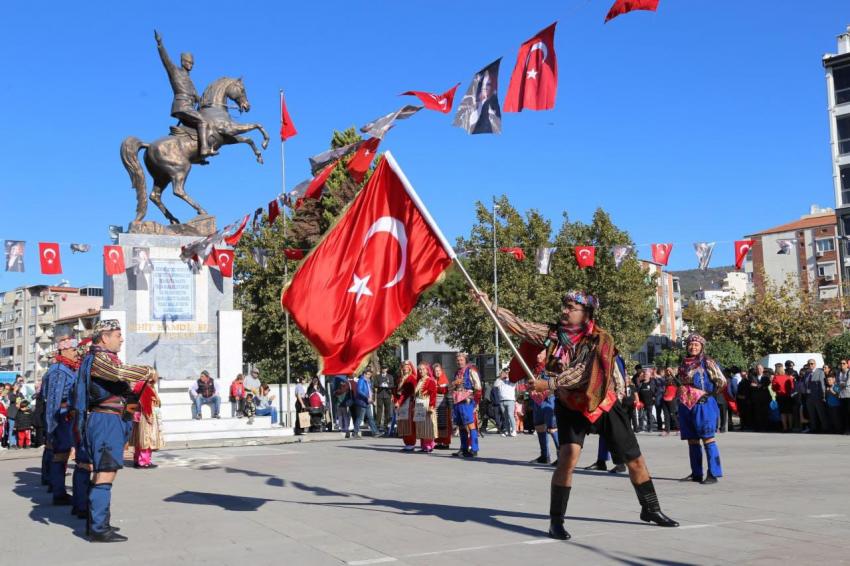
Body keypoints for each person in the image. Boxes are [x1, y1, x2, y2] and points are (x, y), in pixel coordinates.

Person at [482, 290, 678, 539]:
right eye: (564, 305)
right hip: (570, 404)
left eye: (572, 307)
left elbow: (583, 373)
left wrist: (550, 384)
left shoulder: (601, 339)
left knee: (635, 460)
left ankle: (651, 509)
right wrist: (490, 306)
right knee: (567, 459)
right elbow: (520, 327)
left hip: (603, 403)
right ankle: (556, 521)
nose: (565, 310)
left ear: (587, 314)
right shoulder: (553, 334)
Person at [73, 319, 157, 542]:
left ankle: (98, 523)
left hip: (111, 421)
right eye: (117, 334)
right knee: (105, 473)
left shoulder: (104, 358)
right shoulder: (99, 358)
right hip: (105, 422)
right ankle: (99, 528)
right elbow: (119, 372)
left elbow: (123, 388)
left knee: (104, 472)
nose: (121, 338)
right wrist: (148, 370)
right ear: (104, 337)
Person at [153, 30, 215, 158]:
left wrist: (204, 101)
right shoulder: (175, 71)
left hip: (189, 107)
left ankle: (195, 154)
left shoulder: (190, 80)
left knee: (199, 126)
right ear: (182, 62)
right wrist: (160, 44)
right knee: (203, 121)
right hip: (181, 106)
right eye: (188, 62)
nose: (190, 65)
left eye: (192, 63)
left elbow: (196, 97)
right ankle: (204, 149)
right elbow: (166, 60)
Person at [678, 334, 726, 485]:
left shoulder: (707, 362)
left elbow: (722, 381)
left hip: (703, 404)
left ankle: (713, 473)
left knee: (707, 438)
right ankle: (696, 473)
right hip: (686, 405)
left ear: (701, 347)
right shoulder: (683, 363)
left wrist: (709, 394)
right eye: (691, 344)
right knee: (692, 440)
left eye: (696, 345)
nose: (693, 347)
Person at [44, 336, 81, 504]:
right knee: (61, 453)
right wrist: (52, 425)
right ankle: (58, 492)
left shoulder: (68, 368)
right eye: (74, 350)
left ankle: (58, 489)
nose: (76, 353)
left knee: (64, 453)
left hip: (68, 416)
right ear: (64, 351)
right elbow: (53, 400)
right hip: (61, 417)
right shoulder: (58, 370)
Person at [451, 352, 482, 458]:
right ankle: (464, 448)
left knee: (470, 424)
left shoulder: (471, 369)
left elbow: (478, 387)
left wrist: (476, 402)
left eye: (461, 360)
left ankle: (474, 449)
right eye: (458, 360)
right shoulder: (457, 372)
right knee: (460, 425)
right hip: (457, 400)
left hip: (467, 400)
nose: (459, 362)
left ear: (465, 360)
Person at [130, 378, 163, 469]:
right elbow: (146, 402)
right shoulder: (146, 386)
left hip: (139, 416)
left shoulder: (139, 384)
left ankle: (138, 460)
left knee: (139, 439)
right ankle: (144, 462)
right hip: (146, 416)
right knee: (146, 438)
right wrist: (149, 416)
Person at [413, 362, 438, 453]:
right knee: (421, 425)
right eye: (419, 369)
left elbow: (433, 395)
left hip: (427, 403)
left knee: (428, 425)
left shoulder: (430, 380)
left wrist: (431, 406)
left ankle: (429, 445)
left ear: (427, 370)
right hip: (419, 404)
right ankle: (423, 445)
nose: (421, 371)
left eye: (423, 369)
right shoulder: (419, 381)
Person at [394, 361, 418, 451]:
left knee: (409, 423)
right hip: (401, 403)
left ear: (410, 368)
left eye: (407, 366)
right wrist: (396, 400)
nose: (405, 368)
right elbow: (397, 391)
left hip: (408, 403)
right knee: (403, 423)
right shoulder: (400, 379)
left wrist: (399, 401)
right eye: (404, 366)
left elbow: (408, 392)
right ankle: (407, 442)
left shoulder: (412, 378)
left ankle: (411, 442)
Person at [803, 360, 829, 434]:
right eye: (809, 364)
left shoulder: (820, 372)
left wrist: (823, 396)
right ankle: (814, 428)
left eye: (812, 363)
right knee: (811, 413)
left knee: (821, 413)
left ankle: (825, 428)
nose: (810, 365)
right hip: (809, 396)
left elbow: (822, 385)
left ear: (815, 364)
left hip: (818, 396)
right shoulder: (807, 373)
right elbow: (805, 384)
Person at [352, 369, 378, 438]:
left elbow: (369, 391)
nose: (369, 376)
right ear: (364, 374)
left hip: (367, 402)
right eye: (368, 374)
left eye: (370, 375)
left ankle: (375, 432)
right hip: (362, 402)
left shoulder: (368, 381)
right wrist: (367, 397)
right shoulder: (361, 380)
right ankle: (355, 433)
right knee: (360, 418)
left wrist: (372, 400)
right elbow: (359, 391)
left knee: (370, 418)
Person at [433, 363, 453, 449]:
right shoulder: (434, 379)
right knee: (437, 423)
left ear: (441, 371)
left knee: (444, 424)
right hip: (436, 404)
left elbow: (444, 390)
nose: (437, 372)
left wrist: (436, 388)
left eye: (439, 370)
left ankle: (445, 442)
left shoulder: (444, 379)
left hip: (443, 404)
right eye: (436, 371)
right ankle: (439, 442)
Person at [771, 364, 794, 433]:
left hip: (780, 396)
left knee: (783, 413)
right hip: (788, 396)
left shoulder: (776, 378)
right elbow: (792, 387)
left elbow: (774, 388)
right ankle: (790, 427)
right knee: (789, 412)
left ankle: (785, 427)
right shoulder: (788, 377)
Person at [494, 369, 517, 436]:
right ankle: (507, 430)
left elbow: (514, 380)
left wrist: (509, 374)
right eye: (504, 373)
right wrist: (501, 377)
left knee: (510, 415)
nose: (506, 374)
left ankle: (514, 430)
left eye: (507, 373)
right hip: (502, 401)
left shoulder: (512, 380)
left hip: (510, 400)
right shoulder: (499, 380)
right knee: (505, 416)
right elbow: (495, 385)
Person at [375, 368, 395, 435]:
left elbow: (392, 385)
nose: (383, 370)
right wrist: (380, 385)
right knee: (379, 410)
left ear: (387, 369)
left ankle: (385, 425)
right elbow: (375, 384)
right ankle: (377, 425)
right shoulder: (378, 376)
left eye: (385, 368)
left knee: (387, 410)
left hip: (387, 395)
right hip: (380, 395)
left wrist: (388, 386)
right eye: (382, 368)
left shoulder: (390, 376)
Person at [662, 368, 679, 433]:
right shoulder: (664, 379)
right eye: (667, 371)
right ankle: (667, 430)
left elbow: (679, 383)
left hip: (672, 398)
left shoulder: (675, 379)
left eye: (669, 371)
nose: (668, 372)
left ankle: (679, 428)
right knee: (666, 415)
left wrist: (673, 375)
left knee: (672, 414)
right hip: (665, 398)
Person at [838, 359, 850, 434]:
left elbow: (848, 383)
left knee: (849, 413)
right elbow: (837, 382)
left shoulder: (849, 372)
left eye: (844, 363)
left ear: (847, 364)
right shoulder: (839, 373)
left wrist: (842, 383)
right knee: (844, 413)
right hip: (841, 395)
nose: (842, 364)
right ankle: (845, 429)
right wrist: (842, 383)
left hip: (849, 395)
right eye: (841, 363)